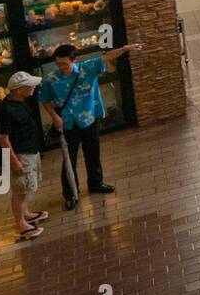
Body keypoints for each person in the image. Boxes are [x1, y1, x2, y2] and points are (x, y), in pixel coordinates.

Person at [39, 41, 142, 211]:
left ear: (74, 60)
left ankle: (96, 183)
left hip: (89, 119)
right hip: (68, 123)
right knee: (68, 159)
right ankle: (71, 193)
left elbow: (107, 57)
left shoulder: (88, 68)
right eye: (58, 64)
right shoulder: (52, 79)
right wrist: (55, 117)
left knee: (93, 153)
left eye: (65, 63)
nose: (62, 67)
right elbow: (45, 101)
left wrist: (124, 49)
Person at [0, 71, 49, 241]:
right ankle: (20, 225)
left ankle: (26, 214)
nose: (33, 87)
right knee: (20, 190)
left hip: (30, 151)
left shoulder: (20, 101)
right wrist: (15, 161)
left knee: (28, 186)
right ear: (19, 89)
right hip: (21, 154)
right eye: (30, 84)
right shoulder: (5, 110)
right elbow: (3, 139)